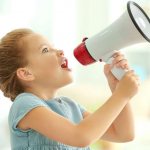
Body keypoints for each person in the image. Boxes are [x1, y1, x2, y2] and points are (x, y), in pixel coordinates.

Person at [0, 28, 139, 150]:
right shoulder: (24, 105)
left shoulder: (71, 106)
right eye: (45, 50)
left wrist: (116, 88)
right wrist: (121, 95)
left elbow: (123, 134)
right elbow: (80, 136)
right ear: (26, 73)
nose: (60, 51)